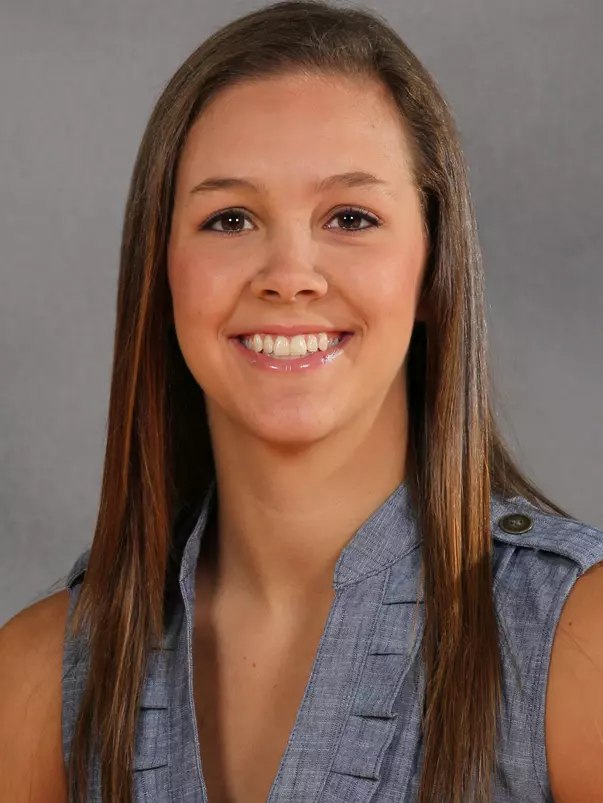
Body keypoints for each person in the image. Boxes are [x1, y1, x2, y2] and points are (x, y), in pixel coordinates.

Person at [1, 1, 602, 802]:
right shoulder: (36, 683)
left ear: (433, 269)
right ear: (162, 271)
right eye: (230, 218)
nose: (288, 275)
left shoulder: (579, 644)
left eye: (350, 217)